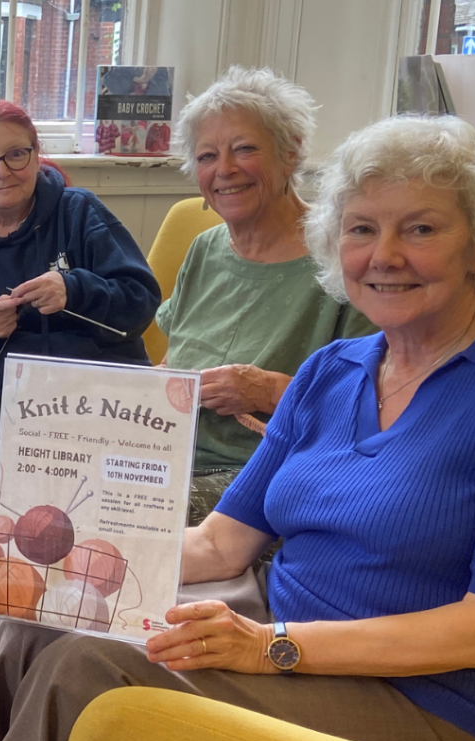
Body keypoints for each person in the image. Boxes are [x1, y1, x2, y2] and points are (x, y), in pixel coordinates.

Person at [0, 114, 475, 741]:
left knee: (88, 668)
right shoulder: (332, 369)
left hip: (437, 702)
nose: (384, 255)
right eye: (361, 229)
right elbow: (221, 544)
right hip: (281, 622)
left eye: (421, 229)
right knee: (42, 619)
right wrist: (52, 558)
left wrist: (269, 647)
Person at [0, 101, 160, 552]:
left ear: (37, 155)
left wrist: (75, 290)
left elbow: (141, 302)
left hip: (99, 390)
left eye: (16, 154)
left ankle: (108, 572)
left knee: (125, 458)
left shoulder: (81, 213)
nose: (2, 171)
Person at [158, 66, 375, 523]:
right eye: (207, 156)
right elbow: (172, 361)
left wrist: (266, 391)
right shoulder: (205, 249)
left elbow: (376, 405)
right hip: (167, 457)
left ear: (290, 153)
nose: (225, 169)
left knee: (132, 518)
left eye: (245, 149)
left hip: (268, 471)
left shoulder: (345, 257)